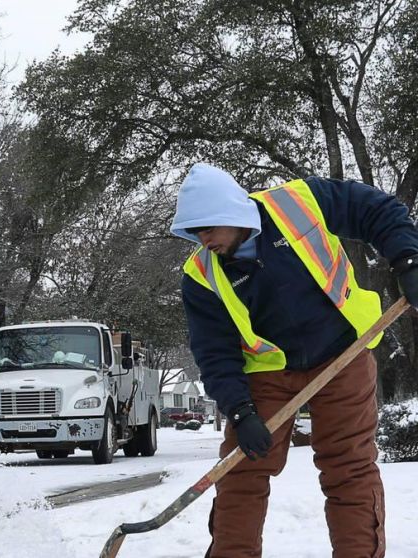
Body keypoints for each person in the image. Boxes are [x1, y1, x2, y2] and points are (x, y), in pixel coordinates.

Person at [169, 163, 418, 558]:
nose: (202, 239)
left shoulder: (301, 202)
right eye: (194, 232)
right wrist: (240, 411)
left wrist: (407, 260)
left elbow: (378, 210)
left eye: (207, 228)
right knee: (241, 473)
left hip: (343, 353)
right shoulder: (201, 276)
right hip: (268, 374)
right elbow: (215, 352)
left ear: (230, 213)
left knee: (349, 468)